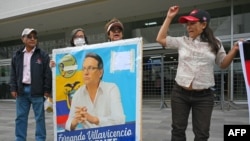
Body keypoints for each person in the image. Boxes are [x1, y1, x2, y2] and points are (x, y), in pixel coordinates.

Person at [156, 6, 239, 141]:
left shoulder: (215, 43)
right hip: (180, 93)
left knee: (202, 134)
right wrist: (169, 17)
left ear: (204, 24)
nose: (189, 27)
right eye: (187, 24)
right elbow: (160, 39)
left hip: (204, 97)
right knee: (177, 130)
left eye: (193, 23)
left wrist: (234, 49)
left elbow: (223, 64)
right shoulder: (182, 41)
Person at [10, 28, 52, 141]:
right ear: (23, 39)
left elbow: (47, 74)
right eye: (29, 37)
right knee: (20, 118)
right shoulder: (17, 55)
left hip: (37, 92)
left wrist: (47, 90)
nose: (33, 39)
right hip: (21, 91)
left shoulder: (42, 55)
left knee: (40, 118)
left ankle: (40, 139)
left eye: (35, 37)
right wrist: (13, 88)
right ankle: (19, 138)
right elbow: (13, 73)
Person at [65, 52, 125, 130]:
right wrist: (75, 121)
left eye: (90, 68)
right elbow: (68, 124)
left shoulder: (111, 89)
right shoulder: (78, 94)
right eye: (84, 69)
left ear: (100, 73)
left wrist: (95, 120)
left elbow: (120, 120)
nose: (86, 73)